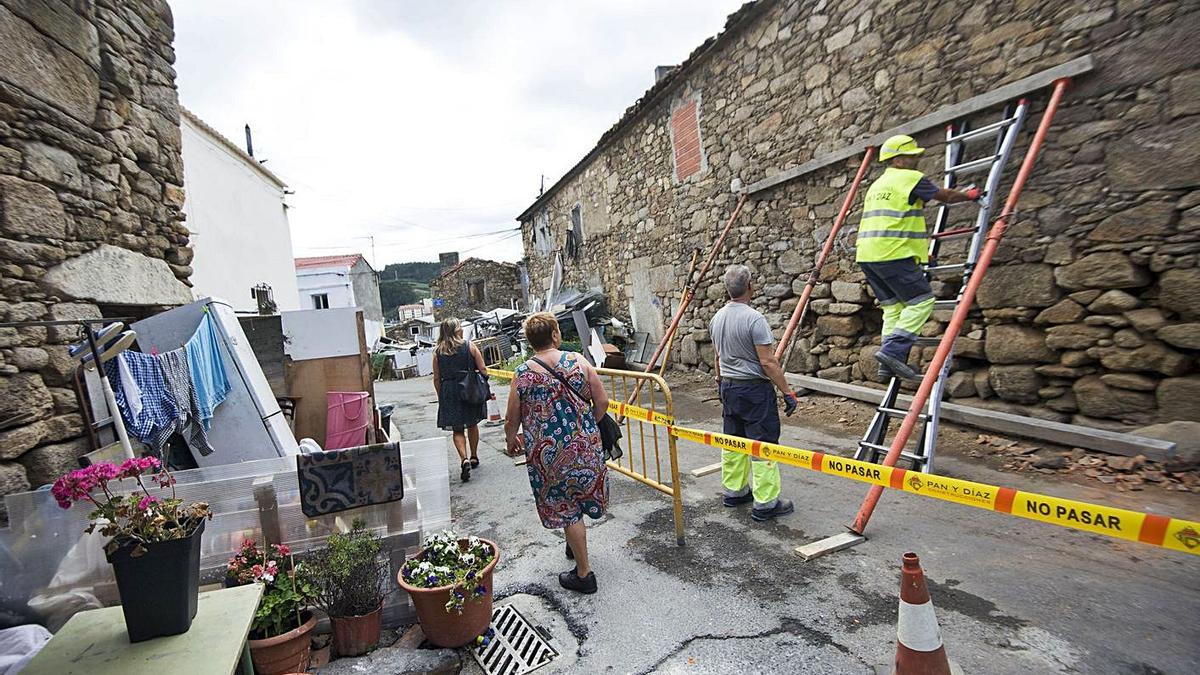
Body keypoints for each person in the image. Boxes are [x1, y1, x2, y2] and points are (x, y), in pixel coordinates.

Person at [856, 134, 982, 381]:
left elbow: (896, 221)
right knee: (922, 301)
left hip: (867, 254)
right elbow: (944, 197)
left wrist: (922, 254)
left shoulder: (878, 185)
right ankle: (893, 352)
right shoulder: (909, 179)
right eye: (912, 156)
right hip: (893, 252)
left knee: (892, 308)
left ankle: (887, 364)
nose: (916, 160)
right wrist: (969, 195)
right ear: (899, 159)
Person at [504, 312, 609, 594]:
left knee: (565, 505)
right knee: (578, 499)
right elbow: (602, 401)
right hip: (585, 446)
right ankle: (575, 544)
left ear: (529, 341)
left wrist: (510, 439)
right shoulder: (578, 361)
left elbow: (511, 418)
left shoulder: (523, 373)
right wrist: (588, 428)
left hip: (548, 456)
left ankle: (584, 574)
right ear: (554, 335)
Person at [710, 265, 799, 522]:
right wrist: (787, 392)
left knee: (734, 440)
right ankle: (766, 503)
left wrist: (720, 383)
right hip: (754, 390)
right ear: (750, 286)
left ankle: (735, 492)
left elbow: (717, 357)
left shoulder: (717, 318)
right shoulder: (754, 319)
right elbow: (768, 362)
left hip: (729, 386)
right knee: (763, 443)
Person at [431, 317, 488, 482]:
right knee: (472, 423)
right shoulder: (469, 346)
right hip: (468, 387)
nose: (462, 328)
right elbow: (482, 368)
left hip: (449, 391)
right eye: (460, 327)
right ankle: (474, 456)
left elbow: (436, 378)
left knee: (457, 429)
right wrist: (483, 380)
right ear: (456, 330)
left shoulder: (438, 352)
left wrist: (441, 395)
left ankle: (463, 458)